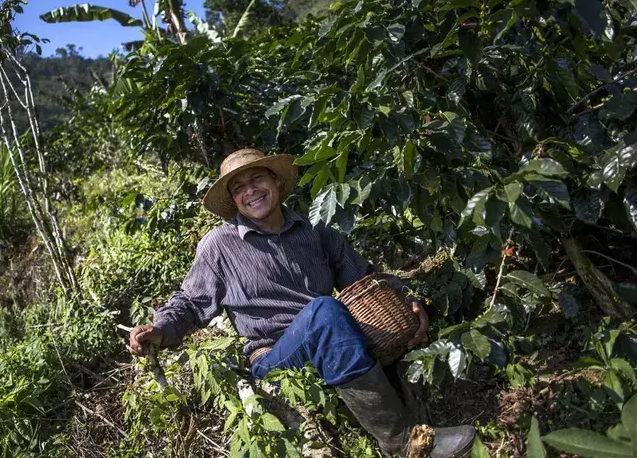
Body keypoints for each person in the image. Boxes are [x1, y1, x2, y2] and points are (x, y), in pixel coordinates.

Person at [128, 149, 475, 457]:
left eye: (257, 178)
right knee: (323, 311)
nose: (250, 191)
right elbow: (190, 302)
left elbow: (365, 279)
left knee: (340, 316)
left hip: (332, 334)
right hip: (275, 357)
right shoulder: (219, 246)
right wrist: (158, 331)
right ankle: (402, 444)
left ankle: (418, 416)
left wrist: (412, 302)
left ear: (276, 181)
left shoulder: (315, 230)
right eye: (238, 188)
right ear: (233, 201)